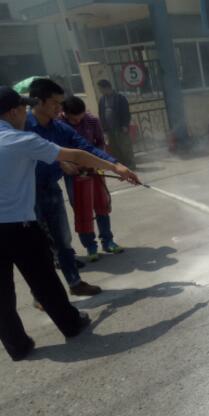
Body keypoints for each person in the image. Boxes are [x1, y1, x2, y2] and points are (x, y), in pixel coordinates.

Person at [0, 86, 139, 361]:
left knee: (1, 293)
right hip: (18, 227)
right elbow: (75, 154)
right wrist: (115, 167)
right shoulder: (19, 139)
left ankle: (17, 346)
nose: (26, 113)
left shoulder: (33, 133)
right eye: (23, 108)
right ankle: (71, 324)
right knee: (44, 280)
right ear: (14, 111)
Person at [26, 78, 136, 297]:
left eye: (61, 102)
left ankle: (75, 283)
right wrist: (60, 161)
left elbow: (85, 148)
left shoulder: (59, 127)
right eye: (55, 103)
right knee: (38, 247)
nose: (59, 108)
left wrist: (116, 164)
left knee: (63, 240)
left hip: (51, 189)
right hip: (26, 194)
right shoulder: (23, 127)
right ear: (38, 101)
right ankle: (40, 295)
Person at [61, 96, 123, 262]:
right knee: (82, 209)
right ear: (65, 113)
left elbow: (99, 143)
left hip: (94, 169)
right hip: (74, 174)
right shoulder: (58, 124)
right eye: (73, 119)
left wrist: (97, 163)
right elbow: (56, 150)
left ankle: (108, 241)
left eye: (80, 117)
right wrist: (67, 164)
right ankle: (90, 246)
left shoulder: (92, 121)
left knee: (102, 205)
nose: (77, 121)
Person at [97, 80, 136, 169]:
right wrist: (104, 128)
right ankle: (121, 166)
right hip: (109, 129)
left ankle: (131, 165)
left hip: (120, 127)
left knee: (125, 147)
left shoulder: (120, 98)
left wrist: (125, 125)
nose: (100, 91)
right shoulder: (102, 100)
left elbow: (126, 112)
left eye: (101, 89)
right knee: (115, 148)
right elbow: (101, 114)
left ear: (107, 87)